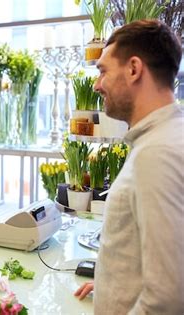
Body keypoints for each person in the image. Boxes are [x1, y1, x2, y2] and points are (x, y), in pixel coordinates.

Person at [74, 20, 183, 313]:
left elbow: (167, 297)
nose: (97, 85)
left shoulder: (157, 153)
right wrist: (117, 281)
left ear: (134, 69)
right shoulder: (168, 137)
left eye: (103, 71)